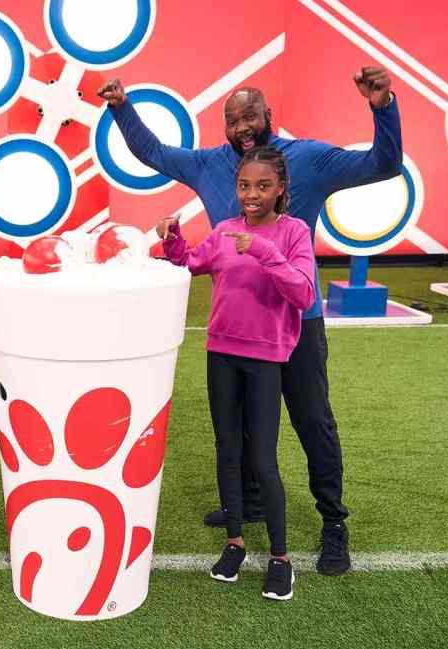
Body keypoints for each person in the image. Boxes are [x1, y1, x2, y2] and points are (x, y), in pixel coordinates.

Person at [98, 66, 403, 575]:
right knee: (240, 427)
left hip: (297, 322)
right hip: (242, 328)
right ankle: (252, 506)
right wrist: (121, 108)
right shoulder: (209, 164)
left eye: (251, 117)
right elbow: (152, 152)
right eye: (233, 120)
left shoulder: (307, 158)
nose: (243, 127)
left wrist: (382, 106)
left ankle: (333, 523)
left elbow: (383, 164)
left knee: (312, 422)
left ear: (269, 117)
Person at [159, 146, 315, 600]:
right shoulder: (225, 230)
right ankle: (235, 542)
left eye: (263, 186)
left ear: (281, 188)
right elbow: (189, 262)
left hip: (266, 358)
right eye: (245, 186)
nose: (252, 194)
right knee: (227, 451)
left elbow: (303, 294)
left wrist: (265, 251)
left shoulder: (293, 233)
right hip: (221, 354)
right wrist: (172, 239)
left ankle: (281, 559)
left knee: (262, 459)